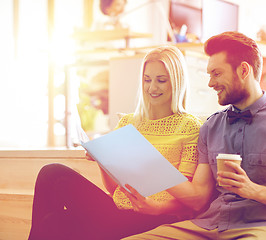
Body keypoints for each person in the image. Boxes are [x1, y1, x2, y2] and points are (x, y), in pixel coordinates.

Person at [121, 31, 266, 240]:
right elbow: (198, 197)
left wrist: (253, 190)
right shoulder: (211, 126)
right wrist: (149, 162)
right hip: (208, 226)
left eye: (216, 74)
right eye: (209, 75)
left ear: (244, 70)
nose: (210, 83)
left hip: (261, 228)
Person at [28, 45, 203, 240]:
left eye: (161, 80)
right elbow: (114, 189)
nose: (152, 87)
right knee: (52, 184)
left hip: (155, 217)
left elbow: (189, 197)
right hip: (117, 211)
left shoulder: (190, 127)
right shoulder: (128, 122)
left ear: (177, 82)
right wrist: (102, 160)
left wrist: (156, 208)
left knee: (55, 214)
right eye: (147, 80)